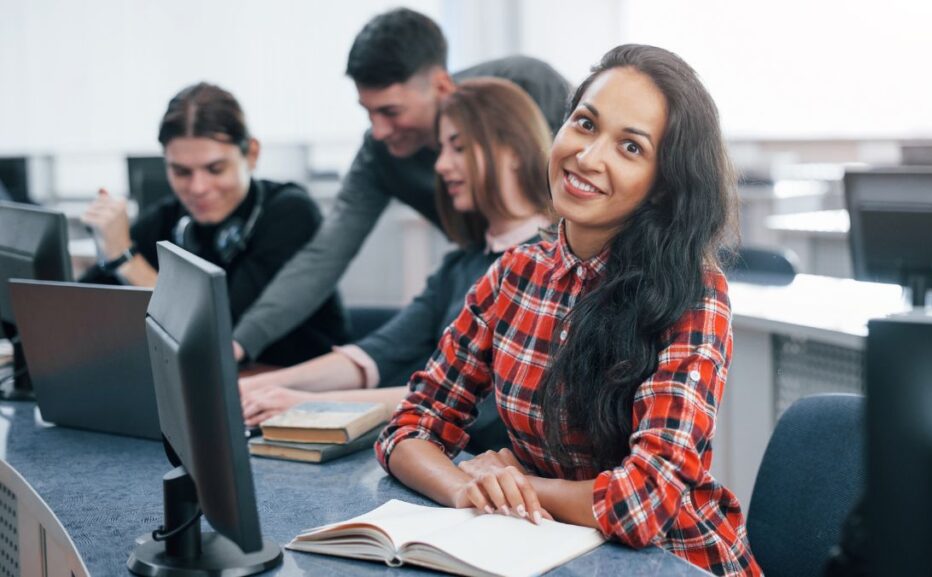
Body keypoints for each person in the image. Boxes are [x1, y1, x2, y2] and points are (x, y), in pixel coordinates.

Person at [374, 45, 762, 577]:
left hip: (671, 561)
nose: (588, 157)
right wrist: (472, 487)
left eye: (630, 147)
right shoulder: (514, 275)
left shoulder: (693, 294)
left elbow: (642, 503)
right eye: (585, 124)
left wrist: (520, 488)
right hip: (546, 552)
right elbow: (410, 427)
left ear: (663, 183)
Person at [229, 8, 569, 363]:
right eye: (368, 112)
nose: (378, 131)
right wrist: (241, 342)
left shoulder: (526, 87)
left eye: (390, 112)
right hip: (479, 291)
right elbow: (325, 255)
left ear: (440, 86)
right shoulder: (380, 155)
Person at [239, 78, 554, 452]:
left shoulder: (547, 267)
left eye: (459, 148)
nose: (440, 164)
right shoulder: (462, 265)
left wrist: (309, 404)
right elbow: (381, 351)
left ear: (513, 150)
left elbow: (474, 403)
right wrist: (258, 388)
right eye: (442, 148)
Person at [80, 82, 345, 367]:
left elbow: (217, 336)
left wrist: (126, 260)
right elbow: (79, 307)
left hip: (300, 391)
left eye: (215, 169)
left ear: (252, 154)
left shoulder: (291, 213)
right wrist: (108, 249)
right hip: (215, 390)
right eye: (181, 172)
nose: (198, 188)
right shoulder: (169, 216)